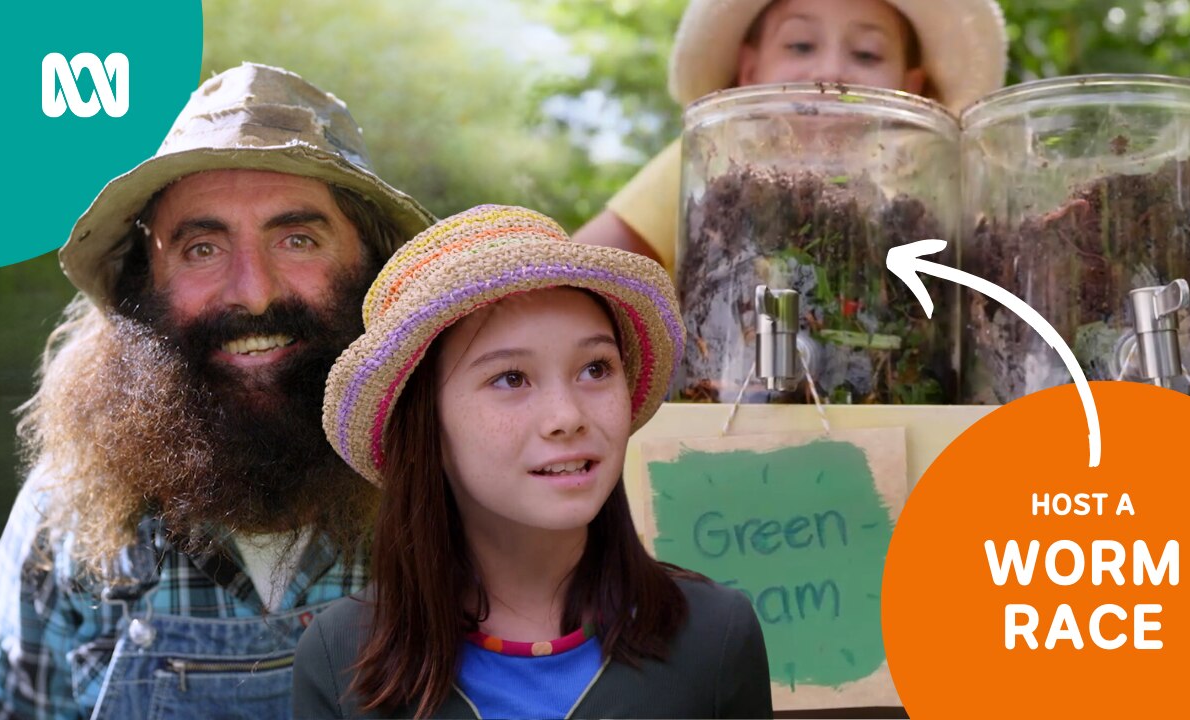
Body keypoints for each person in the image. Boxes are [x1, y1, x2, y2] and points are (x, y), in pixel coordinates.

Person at [0, 62, 435, 719]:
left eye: (298, 239)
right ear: (145, 288)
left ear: (374, 266)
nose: (253, 292)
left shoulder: (455, 489)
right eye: (201, 248)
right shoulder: (64, 518)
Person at [294, 205, 773, 719]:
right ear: (426, 425)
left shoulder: (714, 637)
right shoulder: (343, 656)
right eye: (511, 378)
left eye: (595, 367)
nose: (567, 417)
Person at [573, 0, 1009, 273]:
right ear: (749, 72)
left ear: (911, 87)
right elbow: (580, 268)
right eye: (800, 45)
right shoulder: (714, 161)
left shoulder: (925, 201)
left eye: (866, 53)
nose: (830, 71)